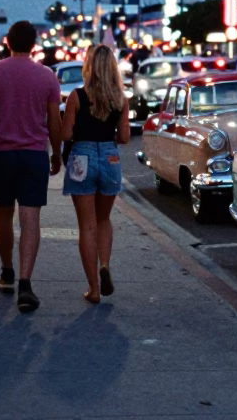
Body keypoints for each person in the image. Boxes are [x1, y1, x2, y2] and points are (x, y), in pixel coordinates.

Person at [0, 21, 62, 313]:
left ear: (8, 42)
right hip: (34, 155)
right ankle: (25, 282)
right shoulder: (47, 76)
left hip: (1, 153)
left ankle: (7, 269)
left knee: (3, 214)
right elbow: (54, 121)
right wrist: (56, 153)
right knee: (30, 218)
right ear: (34, 45)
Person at [60, 45, 130, 303]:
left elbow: (65, 135)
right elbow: (124, 137)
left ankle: (94, 289)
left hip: (82, 157)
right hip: (110, 157)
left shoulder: (76, 96)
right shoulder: (121, 100)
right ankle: (105, 264)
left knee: (86, 226)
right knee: (104, 219)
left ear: (88, 67)